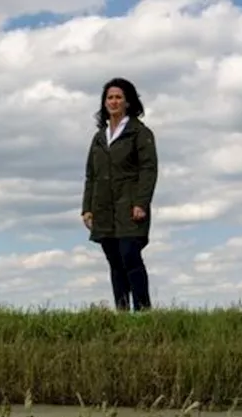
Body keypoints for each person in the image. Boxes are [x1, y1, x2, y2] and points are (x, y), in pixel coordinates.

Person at [81, 77, 158, 312]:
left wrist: (141, 203)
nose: (113, 101)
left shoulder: (140, 133)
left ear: (128, 102)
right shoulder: (99, 137)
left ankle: (143, 311)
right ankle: (122, 312)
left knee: (130, 256)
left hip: (130, 206)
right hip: (103, 208)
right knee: (114, 261)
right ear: (104, 103)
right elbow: (91, 175)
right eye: (110, 97)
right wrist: (87, 208)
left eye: (118, 97)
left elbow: (149, 169)